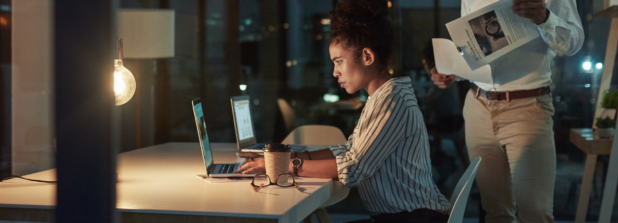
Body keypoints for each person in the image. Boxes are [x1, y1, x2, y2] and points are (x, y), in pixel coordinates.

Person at [236, 0, 450, 222]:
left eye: (339, 62)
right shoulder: (384, 96)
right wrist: (288, 157)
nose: (335, 72)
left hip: (414, 218)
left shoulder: (391, 100)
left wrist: (284, 166)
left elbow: (353, 169)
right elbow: (349, 150)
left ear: (367, 57)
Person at [430, 0, 584, 222]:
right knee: (495, 212)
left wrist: (546, 18)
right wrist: (453, 70)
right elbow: (474, 50)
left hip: (527, 106)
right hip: (478, 106)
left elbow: (574, 41)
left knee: (536, 213)